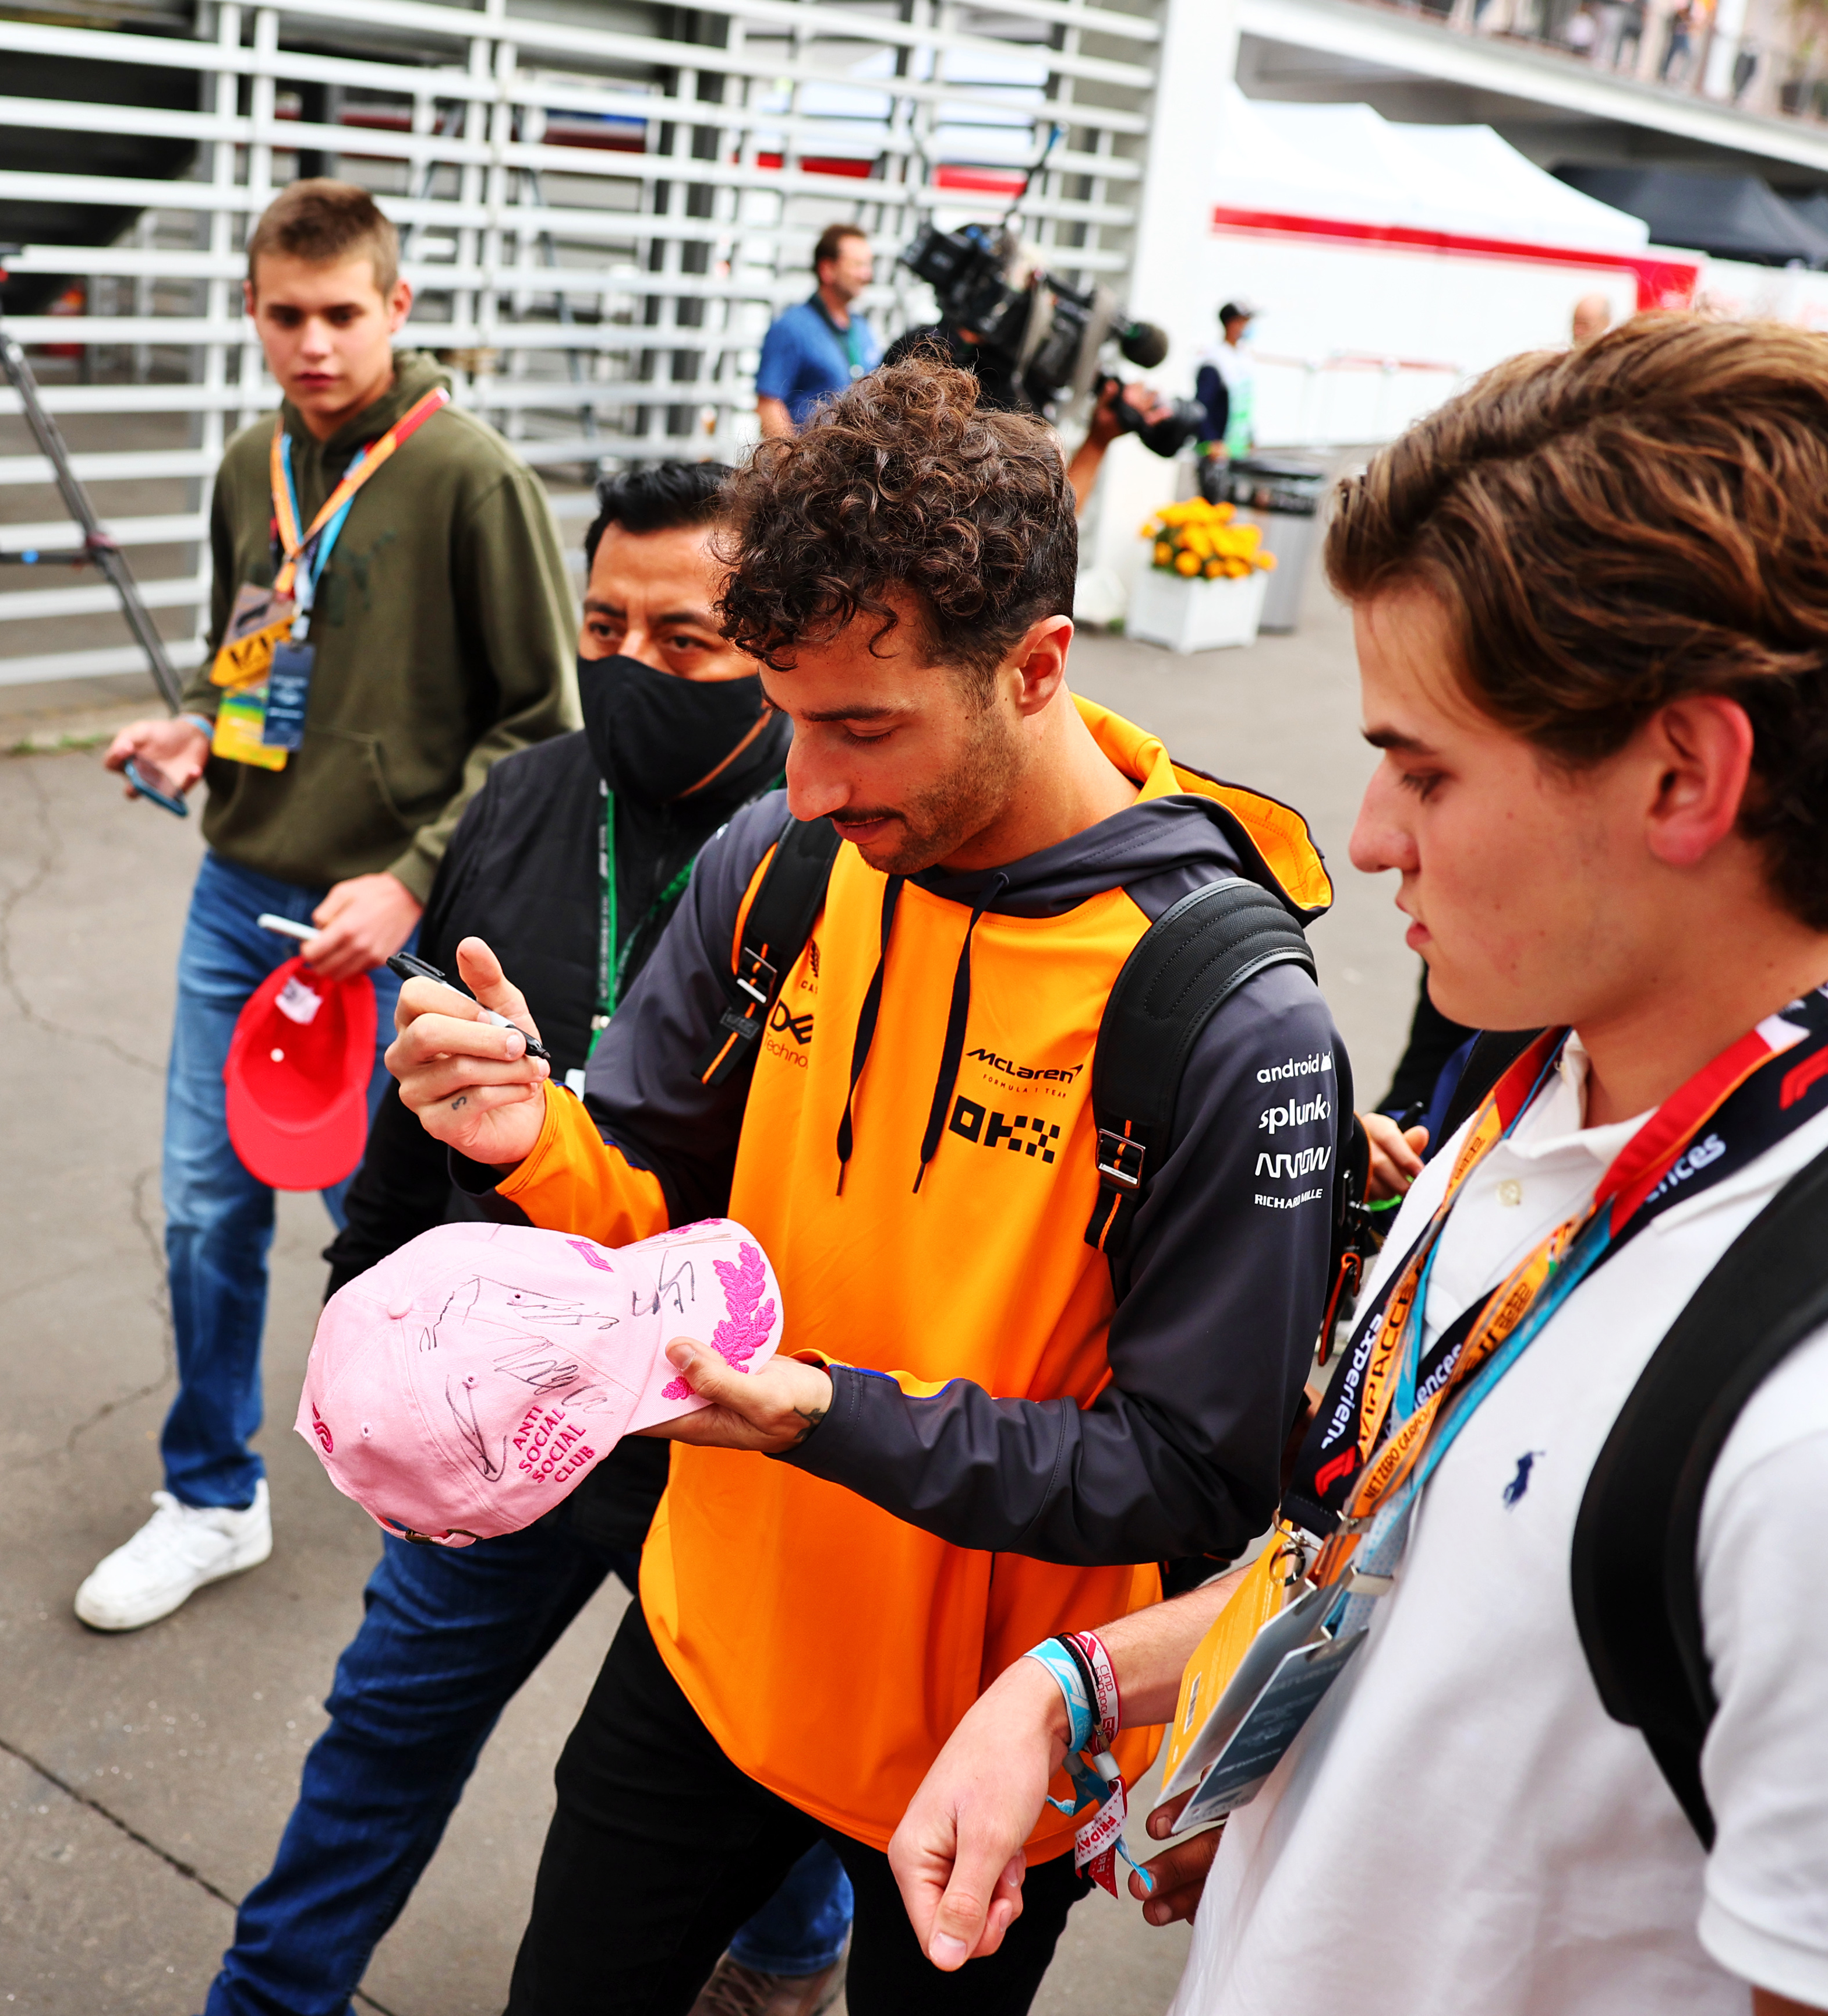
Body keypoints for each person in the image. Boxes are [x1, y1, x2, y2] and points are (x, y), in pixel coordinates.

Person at [888, 316, 1828, 2015]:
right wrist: (1083, 1690)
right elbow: (1397, 1553)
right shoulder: (1551, 1092)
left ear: (1688, 770)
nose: (1367, 837)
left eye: (1422, 767)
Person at [386, 355, 1348, 2014]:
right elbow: (658, 1238)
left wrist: (825, 1415)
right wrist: (528, 1131)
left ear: (1040, 664)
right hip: (703, 1653)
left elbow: (1188, 1477)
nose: (810, 779)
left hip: (985, 1749)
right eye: (790, 714)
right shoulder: (779, 860)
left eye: (864, 722)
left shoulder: (1228, 1013)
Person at [204, 461, 851, 2016]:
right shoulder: (529, 797)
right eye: (606, 624)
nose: (636, 664)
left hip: (722, 1427)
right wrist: (362, 1294)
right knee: (381, 1733)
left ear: (777, 641)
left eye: (687, 638)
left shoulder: (849, 849)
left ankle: (780, 1959)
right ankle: (267, 1998)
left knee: (772, 1747)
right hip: (497, 1419)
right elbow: (410, 1089)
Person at [88, 179, 572, 1633]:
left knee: (403, 1239)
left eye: (340, 316)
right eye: (283, 316)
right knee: (201, 1208)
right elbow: (248, 649)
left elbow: (542, 727)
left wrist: (410, 875)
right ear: (251, 312)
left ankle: (438, 1499)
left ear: (396, 308)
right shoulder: (254, 462)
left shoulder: (469, 476)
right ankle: (211, 1495)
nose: (311, 344)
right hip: (240, 892)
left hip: (393, 920)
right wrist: (193, 727)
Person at [754, 224, 879, 437]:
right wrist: (790, 463)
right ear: (827, 269)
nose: (867, 275)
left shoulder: (862, 328)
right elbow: (769, 405)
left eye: (868, 265)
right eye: (858, 265)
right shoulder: (792, 327)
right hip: (808, 465)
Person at [1193, 301, 1258, 471]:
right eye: (1244, 321)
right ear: (1231, 324)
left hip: (1237, 448)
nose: (1247, 327)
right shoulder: (1214, 360)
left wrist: (1250, 436)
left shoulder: (1243, 357)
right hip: (1217, 451)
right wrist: (1211, 440)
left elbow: (1244, 402)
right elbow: (1201, 406)